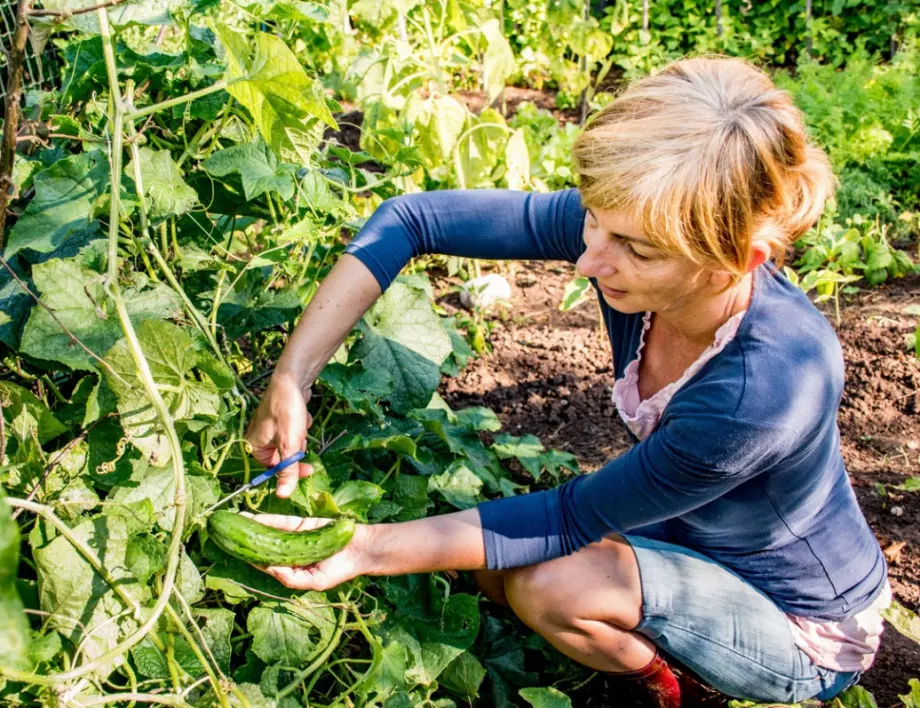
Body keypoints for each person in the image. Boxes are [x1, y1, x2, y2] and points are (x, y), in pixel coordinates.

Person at [243, 57, 890, 706]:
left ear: (732, 262)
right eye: (593, 223)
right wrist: (292, 379)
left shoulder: (764, 391)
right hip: (687, 532)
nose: (588, 261)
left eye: (635, 248)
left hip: (795, 616)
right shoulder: (640, 232)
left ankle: (672, 690)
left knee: (546, 587)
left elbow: (568, 516)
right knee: (495, 572)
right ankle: (647, 625)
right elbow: (413, 220)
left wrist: (363, 548)